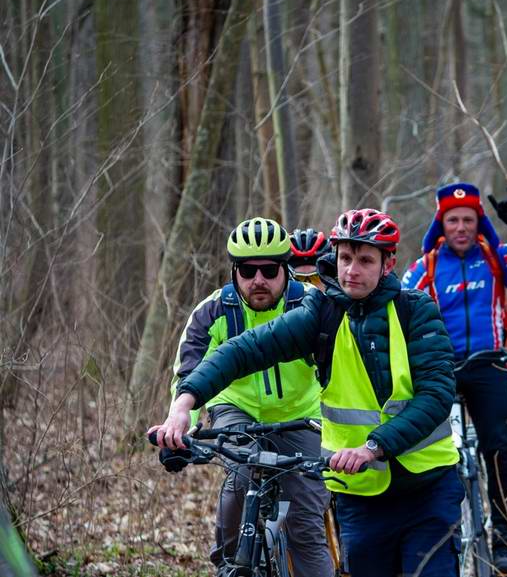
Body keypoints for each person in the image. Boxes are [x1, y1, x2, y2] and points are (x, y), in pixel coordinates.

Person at [150, 209, 463, 577]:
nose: (351, 271)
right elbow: (244, 350)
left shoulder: (416, 310)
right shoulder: (322, 312)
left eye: (364, 260)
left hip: (426, 490)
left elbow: (437, 395)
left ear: (388, 262)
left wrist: (373, 446)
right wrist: (184, 405)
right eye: (345, 259)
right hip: (360, 495)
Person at [160, 217, 332, 577]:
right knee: (238, 477)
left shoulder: (312, 307)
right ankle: (228, 565)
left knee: (305, 526)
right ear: (233, 271)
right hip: (236, 408)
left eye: (270, 270)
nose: (258, 280)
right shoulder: (212, 312)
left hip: (302, 412)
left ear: (285, 269)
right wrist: (180, 425)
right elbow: (187, 374)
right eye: (247, 270)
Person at [401, 182, 507, 574]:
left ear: (478, 221)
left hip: (490, 365)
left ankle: (504, 541)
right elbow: (398, 310)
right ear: (441, 223)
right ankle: (443, 538)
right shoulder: (426, 266)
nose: (461, 227)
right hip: (441, 370)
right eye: (452, 220)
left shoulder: (495, 258)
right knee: (437, 455)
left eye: (468, 219)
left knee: (501, 451)